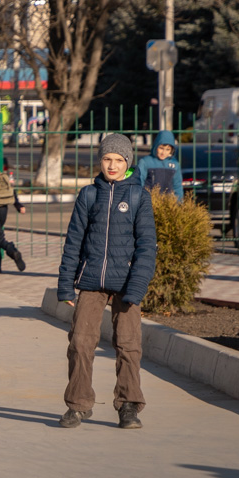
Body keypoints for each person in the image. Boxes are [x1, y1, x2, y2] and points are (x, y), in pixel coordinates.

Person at [56, 133, 156, 430]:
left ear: (128, 162)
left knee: (128, 344)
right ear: (100, 160)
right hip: (91, 281)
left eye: (118, 160)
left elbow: (146, 245)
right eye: (107, 159)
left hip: (127, 284)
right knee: (80, 343)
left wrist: (137, 286)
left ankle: (128, 406)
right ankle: (77, 405)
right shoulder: (89, 194)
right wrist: (65, 283)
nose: (112, 165)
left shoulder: (139, 196)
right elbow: (74, 241)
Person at [134, 129, 184, 199]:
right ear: (156, 146)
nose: (163, 152)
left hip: (168, 203)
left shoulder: (174, 164)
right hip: (149, 201)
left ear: (172, 150)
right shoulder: (145, 162)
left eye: (167, 149)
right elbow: (139, 182)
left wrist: (179, 203)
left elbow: (177, 185)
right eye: (161, 148)